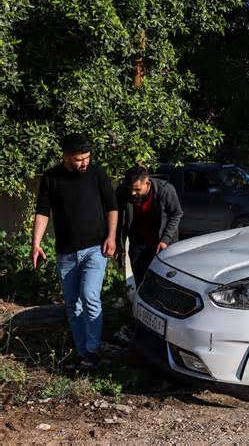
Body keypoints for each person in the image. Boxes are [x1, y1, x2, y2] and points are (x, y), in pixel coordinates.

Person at [32, 135, 118, 369]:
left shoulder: (97, 174)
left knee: (90, 297)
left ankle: (93, 350)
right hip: (66, 253)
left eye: (87, 157)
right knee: (72, 304)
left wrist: (111, 237)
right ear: (66, 157)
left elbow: (112, 206)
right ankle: (83, 353)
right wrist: (36, 243)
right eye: (80, 159)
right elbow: (42, 211)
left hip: (95, 249)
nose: (85, 163)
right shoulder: (51, 178)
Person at [116, 165, 183, 286]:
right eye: (130, 188)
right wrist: (118, 243)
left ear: (147, 183)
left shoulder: (165, 190)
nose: (132, 192)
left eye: (137, 189)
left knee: (163, 282)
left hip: (161, 244)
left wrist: (165, 239)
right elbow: (117, 218)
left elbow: (176, 214)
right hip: (138, 243)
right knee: (141, 281)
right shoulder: (123, 192)